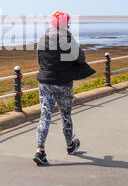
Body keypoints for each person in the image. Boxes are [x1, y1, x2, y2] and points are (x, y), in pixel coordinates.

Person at [33, 11, 96, 166]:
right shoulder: (68, 39)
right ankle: (70, 146)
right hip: (64, 84)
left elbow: (40, 60)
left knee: (45, 116)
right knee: (65, 116)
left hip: (45, 83)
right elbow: (81, 58)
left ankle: (40, 150)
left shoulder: (43, 39)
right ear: (65, 24)